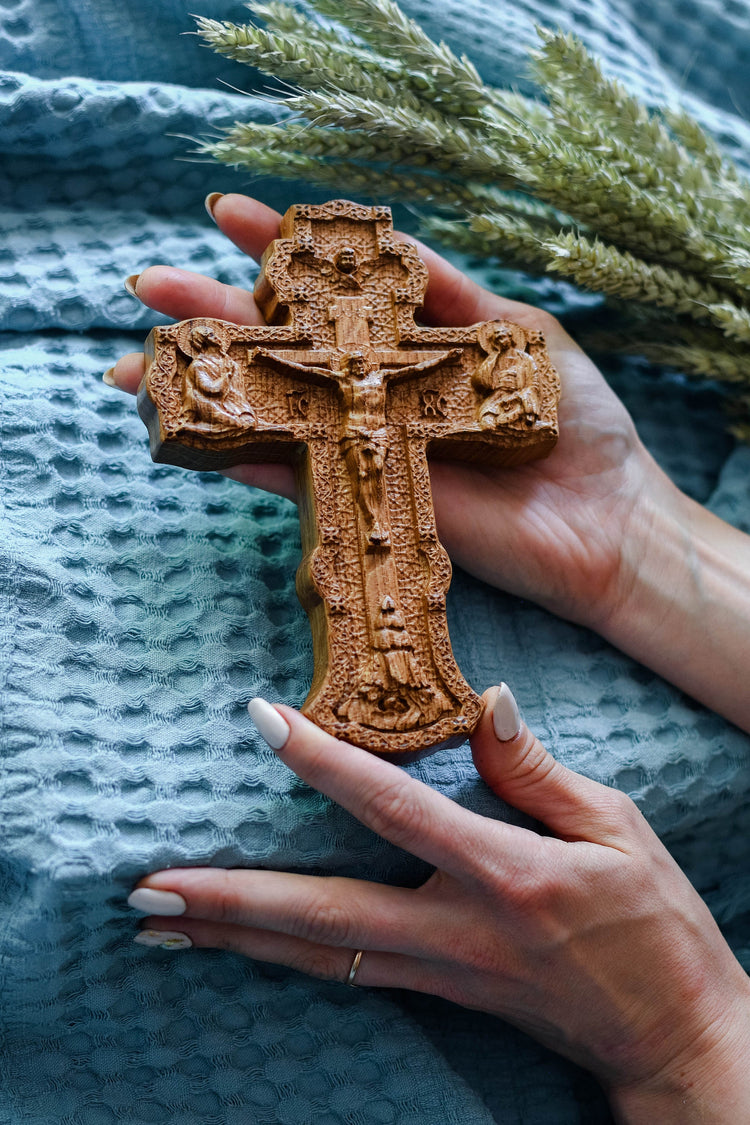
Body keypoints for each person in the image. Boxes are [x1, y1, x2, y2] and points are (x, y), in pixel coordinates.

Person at [104, 193, 750, 1123]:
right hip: (369, 458)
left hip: (378, 450)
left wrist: (695, 1046)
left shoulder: (399, 374)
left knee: (375, 509)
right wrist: (637, 541)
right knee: (364, 515)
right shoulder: (314, 362)